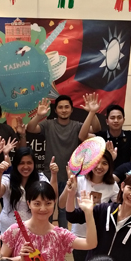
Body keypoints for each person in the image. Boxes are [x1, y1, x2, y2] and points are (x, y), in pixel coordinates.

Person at [0, 182, 96, 261]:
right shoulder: (15, 231)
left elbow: (90, 244)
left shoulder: (60, 235)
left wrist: (88, 213)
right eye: (37, 203)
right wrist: (20, 259)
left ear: (54, 203)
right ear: (29, 204)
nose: (43, 208)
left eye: (48, 203)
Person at [59, 150, 119, 261]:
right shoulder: (79, 181)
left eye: (105, 163)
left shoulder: (112, 185)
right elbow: (61, 204)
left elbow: (119, 209)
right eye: (97, 162)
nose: (100, 166)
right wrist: (70, 189)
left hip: (100, 238)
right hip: (79, 236)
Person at [26, 95, 92, 227]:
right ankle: (44, 235)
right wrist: (39, 115)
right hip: (50, 175)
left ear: (71, 109)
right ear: (55, 110)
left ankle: (62, 237)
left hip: (70, 175)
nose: (64, 110)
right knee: (46, 208)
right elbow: (30, 128)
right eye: (60, 107)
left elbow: (95, 128)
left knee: (64, 211)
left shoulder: (77, 125)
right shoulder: (48, 124)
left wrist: (92, 112)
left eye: (67, 107)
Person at [0, 146, 55, 234]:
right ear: (16, 164)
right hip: (8, 231)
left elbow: (53, 197)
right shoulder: (7, 180)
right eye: (21, 163)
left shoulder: (40, 179)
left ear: (34, 164)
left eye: (29, 163)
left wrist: (54, 174)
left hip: (33, 231)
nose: (25, 166)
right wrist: (0, 173)